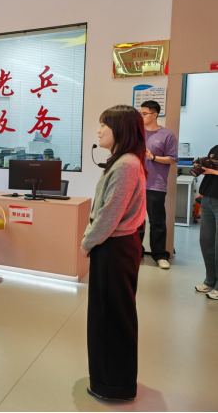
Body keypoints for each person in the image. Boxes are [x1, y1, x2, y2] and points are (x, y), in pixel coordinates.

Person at [82, 105, 148, 401]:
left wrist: (87, 242)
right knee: (111, 315)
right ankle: (111, 382)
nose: (98, 131)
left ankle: (113, 385)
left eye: (103, 126)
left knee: (111, 317)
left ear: (120, 130)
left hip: (114, 247)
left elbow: (109, 214)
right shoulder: (125, 161)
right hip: (117, 246)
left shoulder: (125, 164)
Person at [139, 100, 178, 269]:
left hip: (155, 184)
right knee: (136, 221)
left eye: (144, 114)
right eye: (140, 113)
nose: (141, 116)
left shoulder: (167, 135)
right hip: (136, 183)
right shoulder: (138, 133)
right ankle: (136, 252)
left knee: (157, 221)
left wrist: (153, 157)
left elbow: (172, 159)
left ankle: (160, 255)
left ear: (155, 114)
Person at [195, 144, 218, 300]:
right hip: (208, 198)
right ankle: (210, 281)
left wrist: (214, 171)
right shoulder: (215, 148)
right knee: (206, 241)